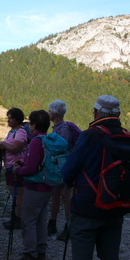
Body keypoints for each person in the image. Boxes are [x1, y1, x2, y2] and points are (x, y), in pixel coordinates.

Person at [60, 95, 125, 260]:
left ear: (95, 112)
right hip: (116, 206)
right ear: (118, 114)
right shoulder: (125, 136)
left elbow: (68, 170)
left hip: (88, 206)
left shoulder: (89, 136)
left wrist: (68, 183)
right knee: (111, 259)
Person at [11, 110, 53, 260]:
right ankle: (41, 253)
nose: (28, 126)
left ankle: (29, 256)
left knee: (28, 220)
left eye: (30, 124)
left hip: (35, 186)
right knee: (41, 219)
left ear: (34, 126)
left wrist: (18, 171)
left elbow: (31, 169)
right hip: (47, 185)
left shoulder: (36, 141)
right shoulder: (48, 139)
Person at [47, 100, 77, 240]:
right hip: (60, 166)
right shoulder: (59, 127)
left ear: (54, 113)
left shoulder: (63, 129)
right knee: (56, 194)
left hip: (64, 167)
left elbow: (62, 150)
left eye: (49, 111)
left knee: (65, 196)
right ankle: (53, 223)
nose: (48, 113)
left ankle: (68, 226)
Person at [0, 108, 27, 230]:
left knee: (18, 194)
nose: (8, 120)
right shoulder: (12, 132)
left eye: (10, 118)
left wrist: (3, 144)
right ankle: (15, 217)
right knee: (14, 193)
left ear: (17, 119)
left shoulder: (20, 132)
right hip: (11, 166)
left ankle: (18, 219)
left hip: (16, 166)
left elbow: (15, 148)